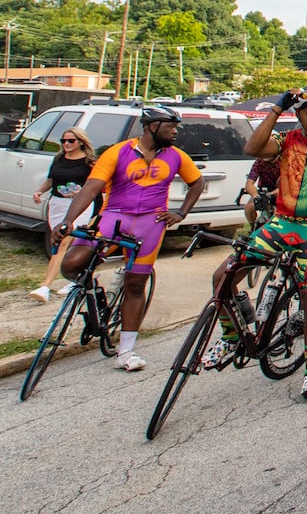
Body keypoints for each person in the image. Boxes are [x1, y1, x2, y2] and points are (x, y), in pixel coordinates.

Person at [199, 86, 307, 399]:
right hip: (281, 224)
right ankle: (230, 336)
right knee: (221, 277)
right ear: (299, 116)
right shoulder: (286, 140)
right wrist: (277, 108)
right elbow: (253, 148)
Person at [55, 106, 206, 371]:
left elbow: (198, 183)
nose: (175, 131)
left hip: (151, 223)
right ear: (152, 126)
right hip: (114, 218)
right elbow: (91, 188)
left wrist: (181, 212)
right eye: (171, 126)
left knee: (136, 285)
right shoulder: (118, 152)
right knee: (71, 265)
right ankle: (95, 293)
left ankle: (125, 352)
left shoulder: (177, 156)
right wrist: (68, 220)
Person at [31, 127, 98, 302]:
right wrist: (39, 191)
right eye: (63, 141)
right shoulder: (59, 158)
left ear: (81, 142)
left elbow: (97, 185)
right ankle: (76, 278)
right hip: (58, 203)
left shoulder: (89, 162)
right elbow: (51, 180)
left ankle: (46, 286)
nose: (66, 144)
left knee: (64, 242)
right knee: (60, 243)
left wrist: (83, 193)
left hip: (79, 205)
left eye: (71, 141)